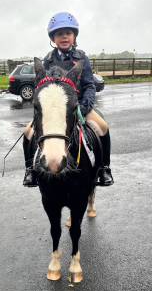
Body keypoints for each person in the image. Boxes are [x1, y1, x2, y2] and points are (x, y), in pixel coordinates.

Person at [23, 12, 113, 187]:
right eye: (59, 34)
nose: (64, 37)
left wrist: (85, 106)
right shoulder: (48, 60)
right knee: (28, 132)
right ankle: (30, 171)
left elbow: (89, 85)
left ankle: (104, 168)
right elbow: (42, 87)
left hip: (78, 106)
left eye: (68, 33)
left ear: (74, 36)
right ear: (53, 38)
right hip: (55, 109)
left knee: (102, 127)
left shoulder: (82, 58)